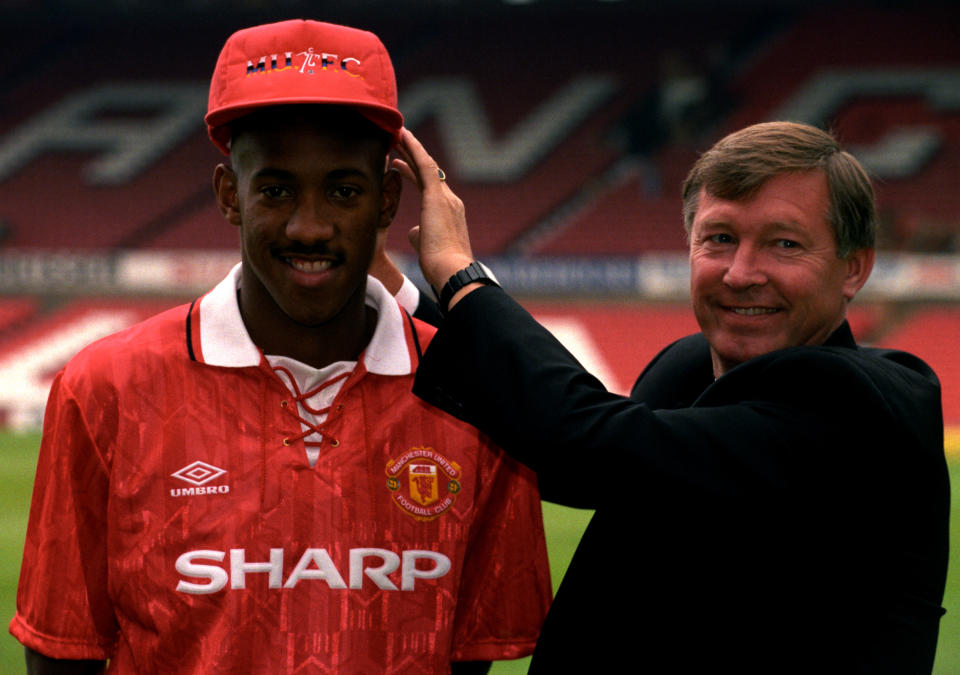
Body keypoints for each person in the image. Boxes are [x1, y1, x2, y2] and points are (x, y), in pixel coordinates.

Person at [10, 19, 551, 674]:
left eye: (345, 191)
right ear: (228, 195)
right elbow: (62, 656)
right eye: (276, 189)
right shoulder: (105, 388)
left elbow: (470, 657)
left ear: (387, 202)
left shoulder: (476, 394)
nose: (310, 225)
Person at [392, 121, 949, 672]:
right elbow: (565, 462)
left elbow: (586, 445)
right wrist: (390, 284)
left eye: (785, 244)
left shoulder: (861, 404)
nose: (740, 273)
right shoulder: (687, 369)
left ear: (853, 268)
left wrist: (460, 277)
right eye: (720, 238)